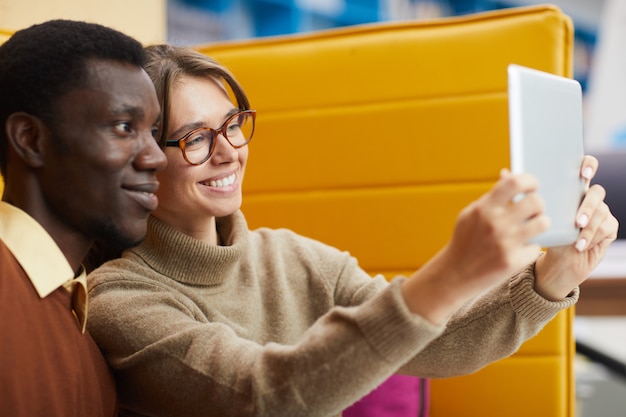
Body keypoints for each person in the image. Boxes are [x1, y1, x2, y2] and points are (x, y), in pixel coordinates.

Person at [86, 44, 618, 417]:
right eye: (195, 137)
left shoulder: (291, 257)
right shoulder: (120, 299)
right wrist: (454, 271)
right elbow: (266, 397)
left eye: (231, 124)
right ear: (142, 160)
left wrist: (549, 278)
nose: (229, 150)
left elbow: (435, 346)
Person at [0, 20, 167, 416]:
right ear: (30, 139)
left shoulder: (86, 327)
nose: (156, 157)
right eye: (125, 127)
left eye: (154, 131)